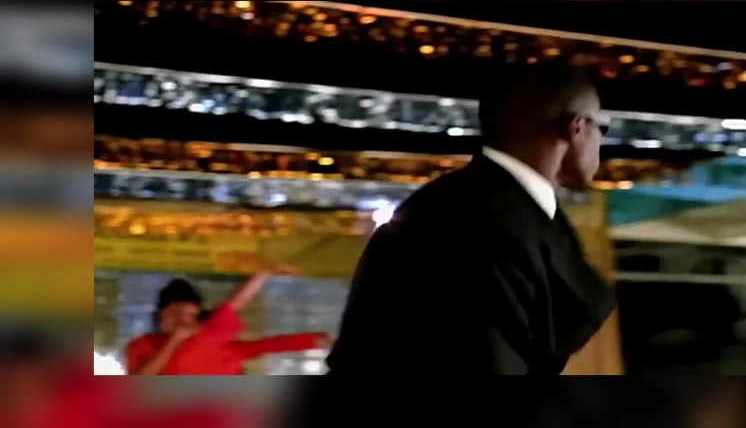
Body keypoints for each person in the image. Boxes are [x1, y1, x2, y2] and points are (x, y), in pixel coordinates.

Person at [326, 63, 616, 374]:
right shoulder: (477, 225)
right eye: (602, 127)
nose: (601, 141)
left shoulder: (461, 205)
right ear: (576, 128)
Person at [126, 268, 330, 375]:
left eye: (188, 316)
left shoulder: (211, 338)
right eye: (175, 315)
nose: (181, 321)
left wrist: (318, 341)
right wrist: (174, 341)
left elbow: (238, 305)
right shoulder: (144, 345)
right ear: (161, 317)